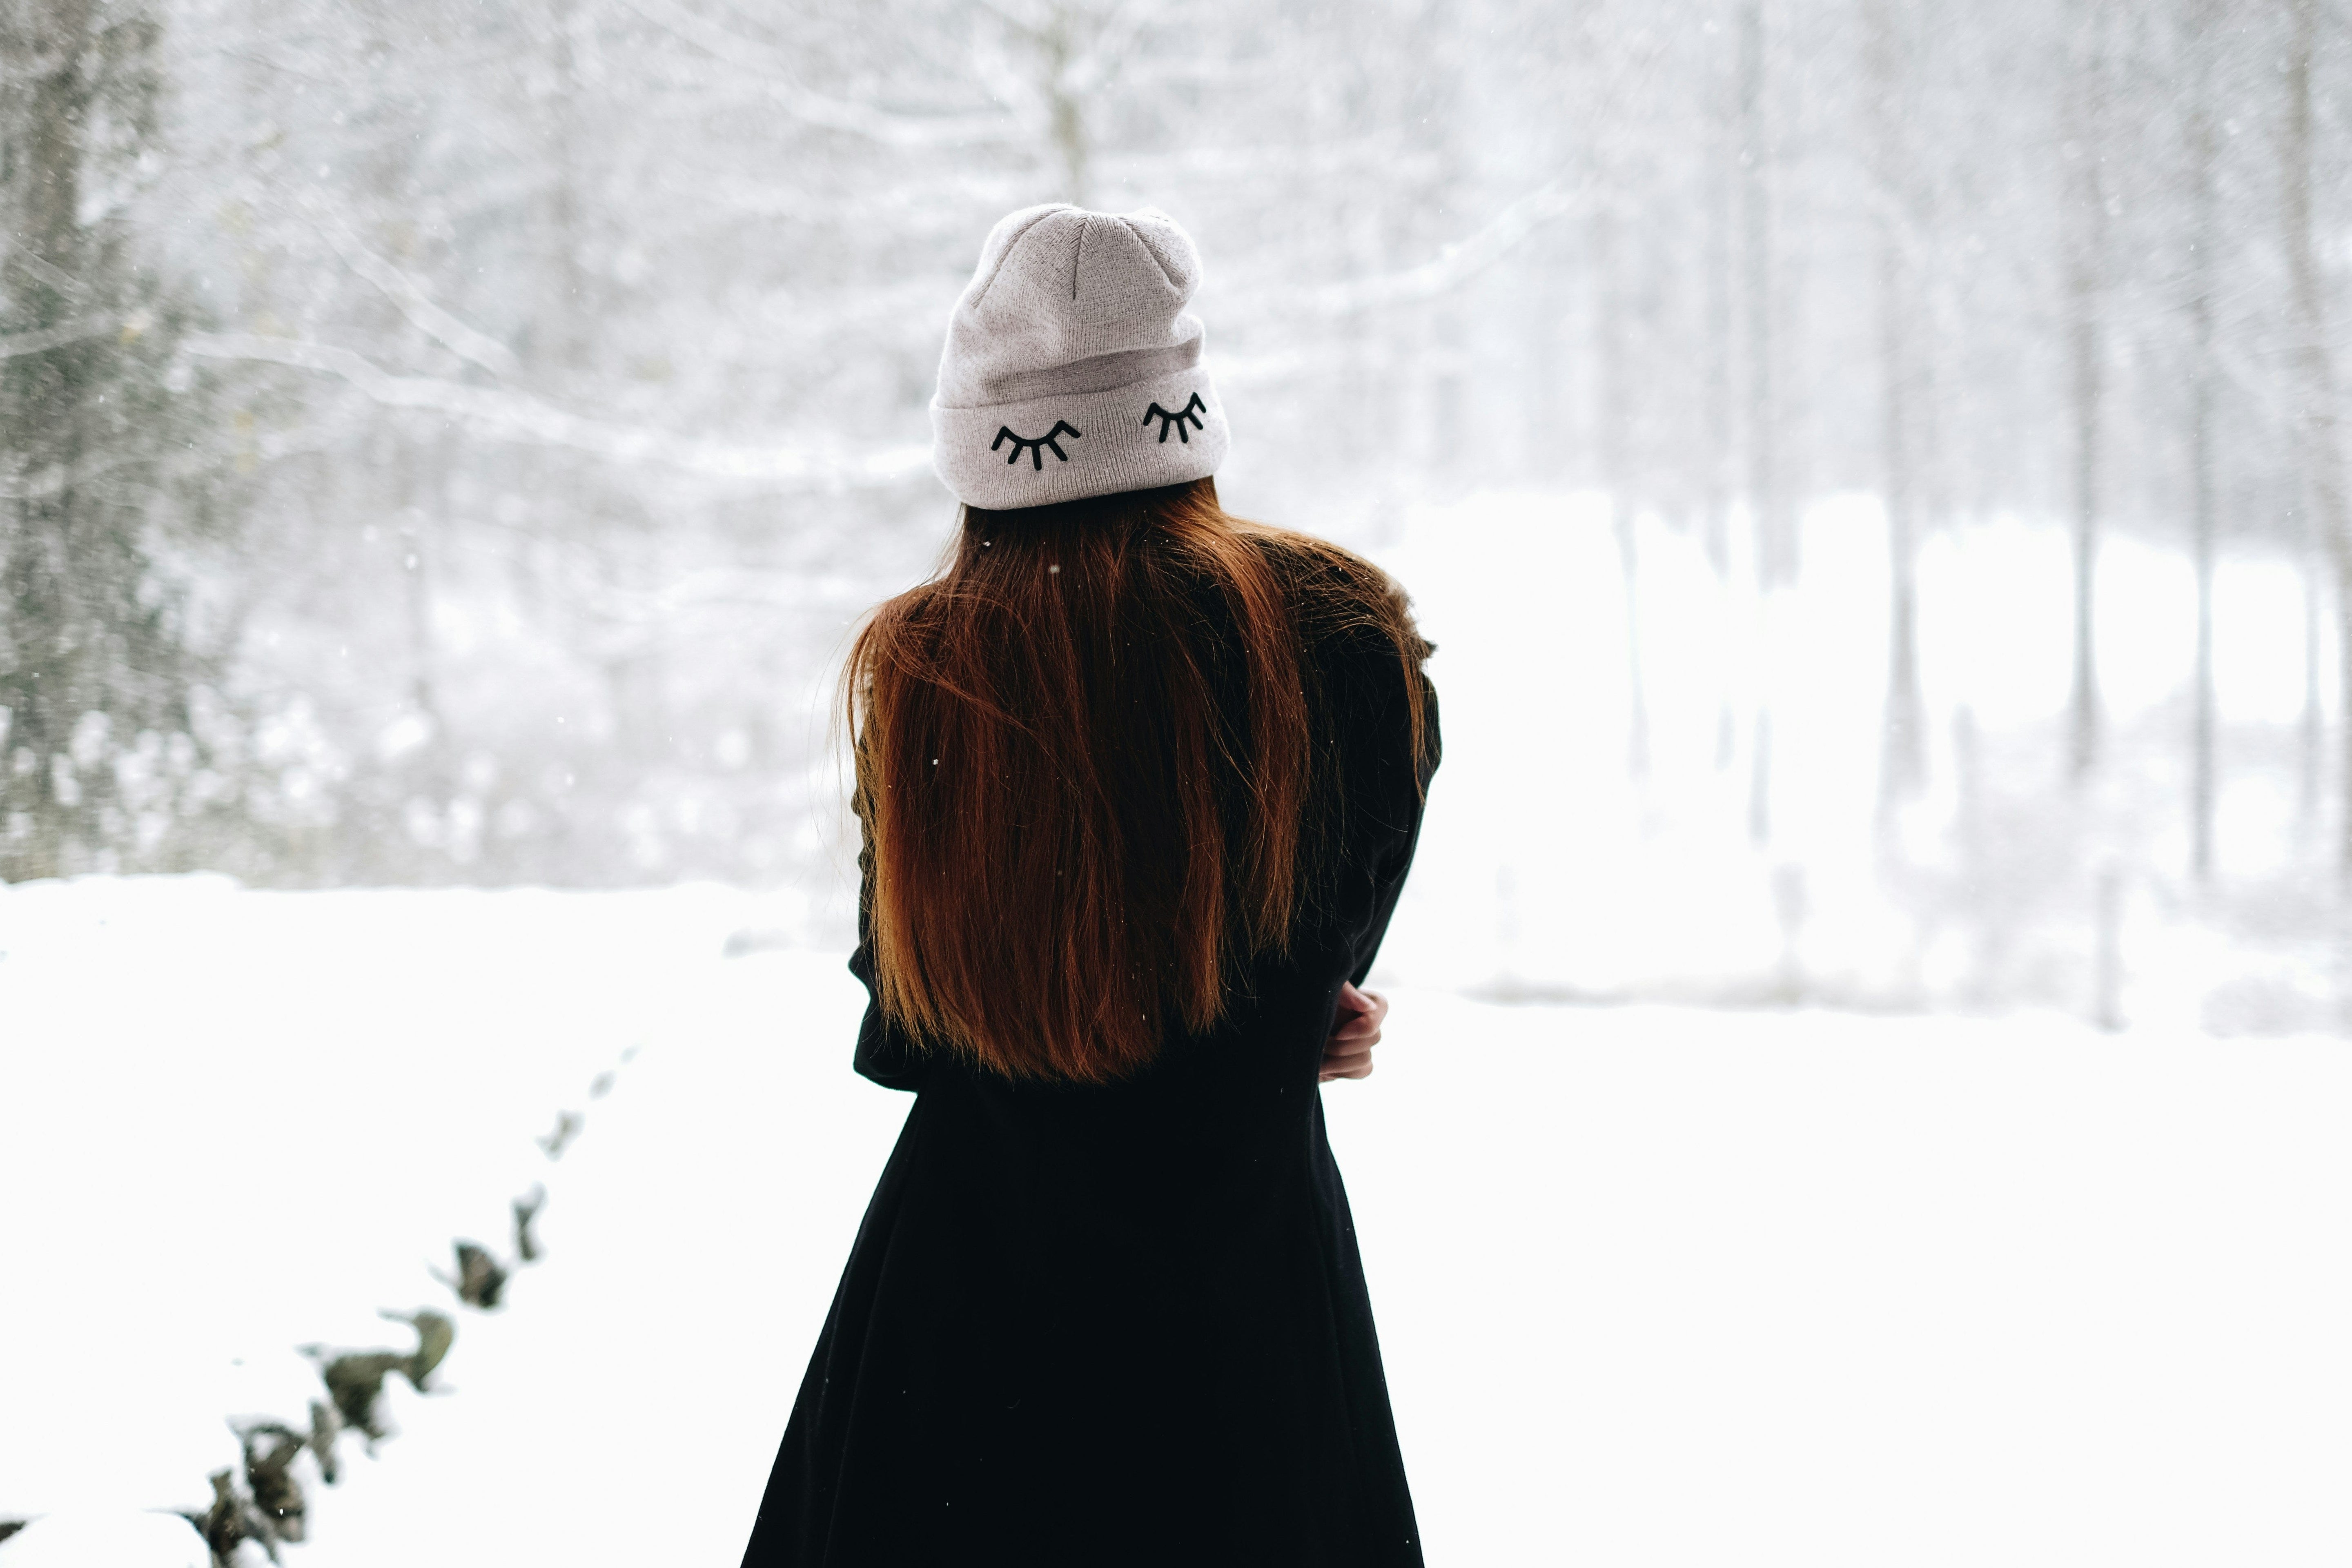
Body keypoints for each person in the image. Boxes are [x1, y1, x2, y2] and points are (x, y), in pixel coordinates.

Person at [740, 203, 1441, 1567]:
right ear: (1181, 413)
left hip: (966, 1333)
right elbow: (1313, 954)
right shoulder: (1347, 648)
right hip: (1250, 1322)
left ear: (977, 448)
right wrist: (1295, 1018)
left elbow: (905, 1030)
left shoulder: (934, 664)